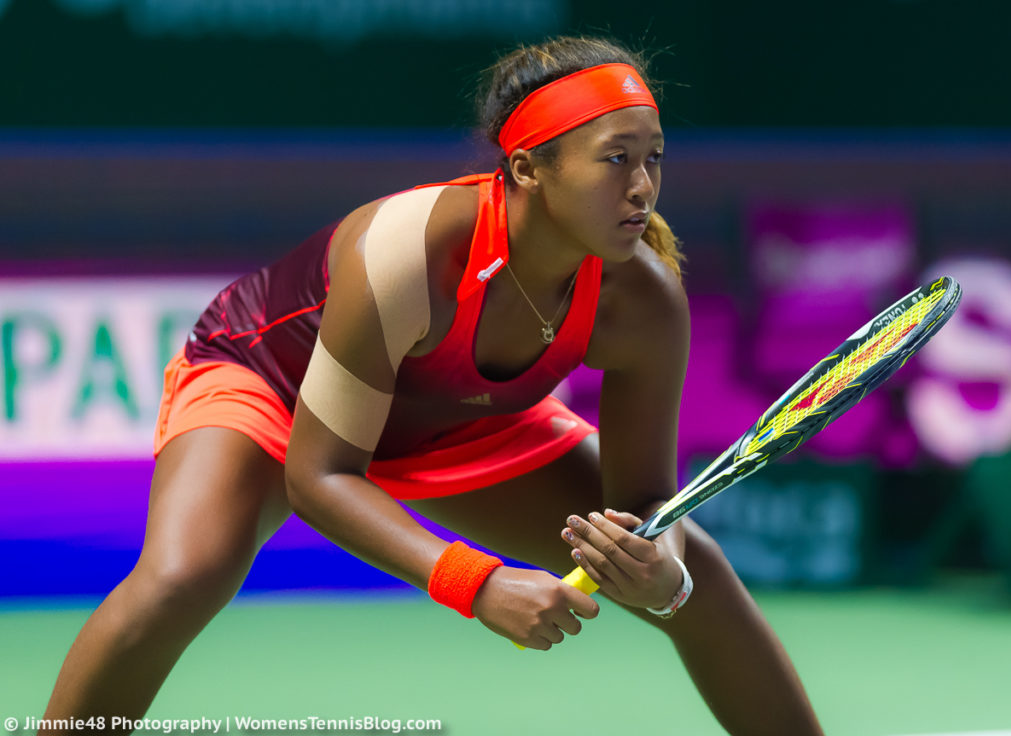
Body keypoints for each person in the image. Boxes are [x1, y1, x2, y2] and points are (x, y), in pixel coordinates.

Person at [41, 36, 823, 735]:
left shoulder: (642, 298)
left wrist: (662, 566)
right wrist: (473, 583)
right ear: (527, 169)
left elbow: (646, 498)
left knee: (703, 576)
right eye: (616, 158)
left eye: (654, 156)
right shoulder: (408, 254)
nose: (644, 185)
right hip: (275, 386)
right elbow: (320, 476)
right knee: (185, 574)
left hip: (460, 423)